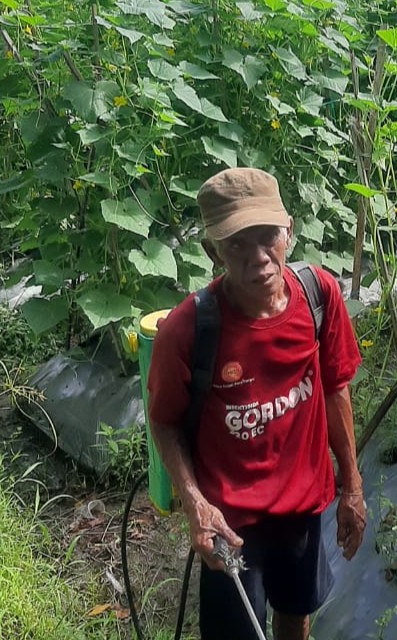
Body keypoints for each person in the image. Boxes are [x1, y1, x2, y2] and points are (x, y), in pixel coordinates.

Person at [147, 167, 366, 640]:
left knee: (296, 613)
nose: (259, 257)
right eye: (237, 244)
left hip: (303, 507)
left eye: (268, 236)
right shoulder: (189, 329)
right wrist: (196, 506)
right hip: (230, 520)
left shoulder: (318, 295)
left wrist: (351, 487)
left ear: (288, 229)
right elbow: (164, 423)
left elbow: (335, 388)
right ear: (212, 251)